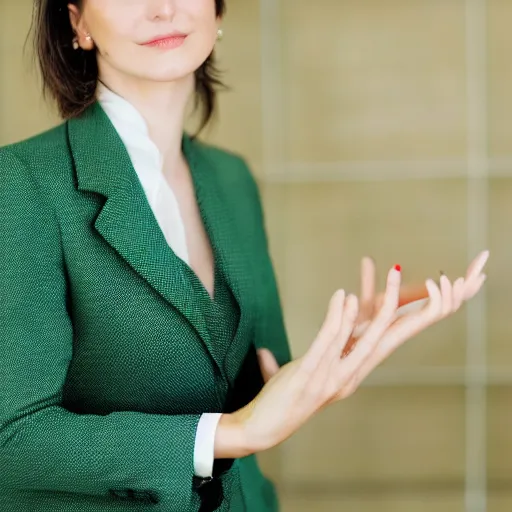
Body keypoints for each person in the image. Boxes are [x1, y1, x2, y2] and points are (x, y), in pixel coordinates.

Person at [0, 1, 489, 511]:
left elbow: (261, 388)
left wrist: (342, 350)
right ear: (78, 22)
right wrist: (231, 434)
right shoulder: (23, 184)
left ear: (216, 11)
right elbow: (12, 442)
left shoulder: (231, 179)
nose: (163, 8)